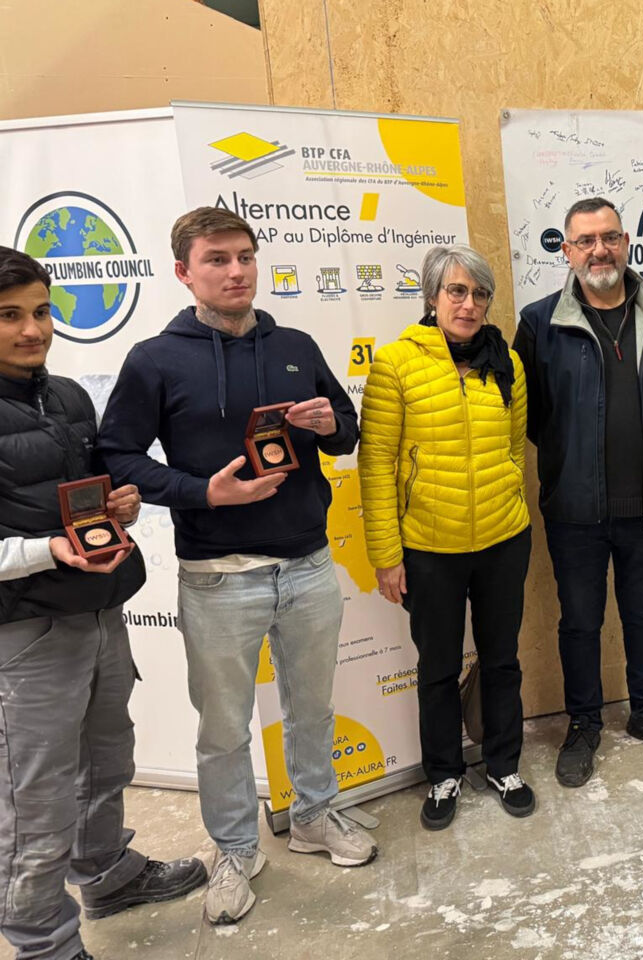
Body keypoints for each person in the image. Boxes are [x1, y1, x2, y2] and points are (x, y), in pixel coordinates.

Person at [97, 208, 375, 926]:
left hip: (308, 565)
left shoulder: (296, 344)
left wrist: (330, 426)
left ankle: (313, 815)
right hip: (218, 577)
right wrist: (202, 492)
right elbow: (117, 457)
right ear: (184, 272)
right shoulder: (155, 360)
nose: (236, 271)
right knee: (222, 730)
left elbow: (345, 430)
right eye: (217, 259)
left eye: (245, 256)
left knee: (312, 707)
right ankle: (234, 849)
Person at [0, 248, 206, 960]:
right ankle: (43, 942)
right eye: (9, 316)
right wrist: (47, 550)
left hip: (99, 609)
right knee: (35, 798)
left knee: (106, 758)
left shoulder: (65, 397)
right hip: (25, 631)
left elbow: (83, 499)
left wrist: (119, 504)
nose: (33, 330)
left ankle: (107, 874)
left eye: (41, 311)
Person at [514, 196, 643, 787]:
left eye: (610, 237)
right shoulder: (540, 323)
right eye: (586, 241)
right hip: (575, 511)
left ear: (626, 243)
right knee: (580, 623)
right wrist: (572, 463)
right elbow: (529, 416)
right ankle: (584, 724)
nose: (600, 250)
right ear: (567, 251)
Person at [359, 244, 534, 831]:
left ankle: (504, 764)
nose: (469, 304)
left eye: (480, 294)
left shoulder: (508, 362)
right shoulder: (396, 364)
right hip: (429, 548)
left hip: (503, 540)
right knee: (436, 667)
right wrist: (387, 556)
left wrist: (510, 499)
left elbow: (514, 448)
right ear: (432, 297)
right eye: (457, 291)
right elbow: (376, 464)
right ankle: (443, 774)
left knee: (502, 659)